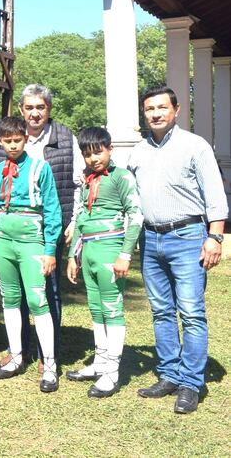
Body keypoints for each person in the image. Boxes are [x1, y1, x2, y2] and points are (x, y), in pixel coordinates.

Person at [129, 86, 227, 414]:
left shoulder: (194, 146)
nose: (155, 113)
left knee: (191, 312)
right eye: (149, 109)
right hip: (151, 240)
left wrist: (215, 237)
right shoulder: (138, 151)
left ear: (176, 109)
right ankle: (169, 374)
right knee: (161, 311)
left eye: (161, 107)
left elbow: (215, 193)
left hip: (187, 238)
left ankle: (191, 383)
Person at [0, 83, 85, 370]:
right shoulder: (12, 137)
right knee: (17, 291)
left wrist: (73, 220)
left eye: (41, 107)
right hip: (15, 230)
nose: (35, 113)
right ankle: (18, 349)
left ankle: (49, 352)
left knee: (48, 289)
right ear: (21, 110)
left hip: (52, 225)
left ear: (48, 109)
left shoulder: (64, 136)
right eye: (30, 107)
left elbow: (77, 182)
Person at [0, 116, 61, 392]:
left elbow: (52, 210)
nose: (13, 145)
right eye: (8, 141)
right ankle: (15, 355)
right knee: (10, 299)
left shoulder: (41, 169)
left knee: (39, 300)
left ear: (25, 139)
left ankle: (49, 363)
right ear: (0, 142)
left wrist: (50, 249)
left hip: (32, 242)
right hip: (3, 241)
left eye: (18, 140)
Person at [66, 127, 143, 398]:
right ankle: (100, 361)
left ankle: (112, 371)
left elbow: (135, 215)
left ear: (110, 149)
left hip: (111, 249)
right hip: (88, 251)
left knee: (112, 309)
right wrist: (73, 256)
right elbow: (79, 217)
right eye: (87, 154)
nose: (93, 159)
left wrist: (125, 254)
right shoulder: (85, 179)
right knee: (96, 309)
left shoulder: (122, 177)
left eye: (98, 152)